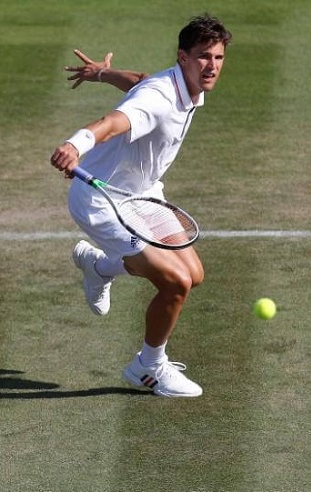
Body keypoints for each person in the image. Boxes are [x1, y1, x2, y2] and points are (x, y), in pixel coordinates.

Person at [50, 15, 232, 397]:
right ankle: (148, 368)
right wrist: (75, 144)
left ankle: (99, 267)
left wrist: (103, 74)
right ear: (183, 57)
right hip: (103, 200)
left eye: (217, 57)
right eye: (203, 57)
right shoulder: (161, 97)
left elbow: (139, 81)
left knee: (193, 274)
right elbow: (113, 121)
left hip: (143, 193)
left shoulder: (185, 85)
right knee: (175, 283)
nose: (212, 66)